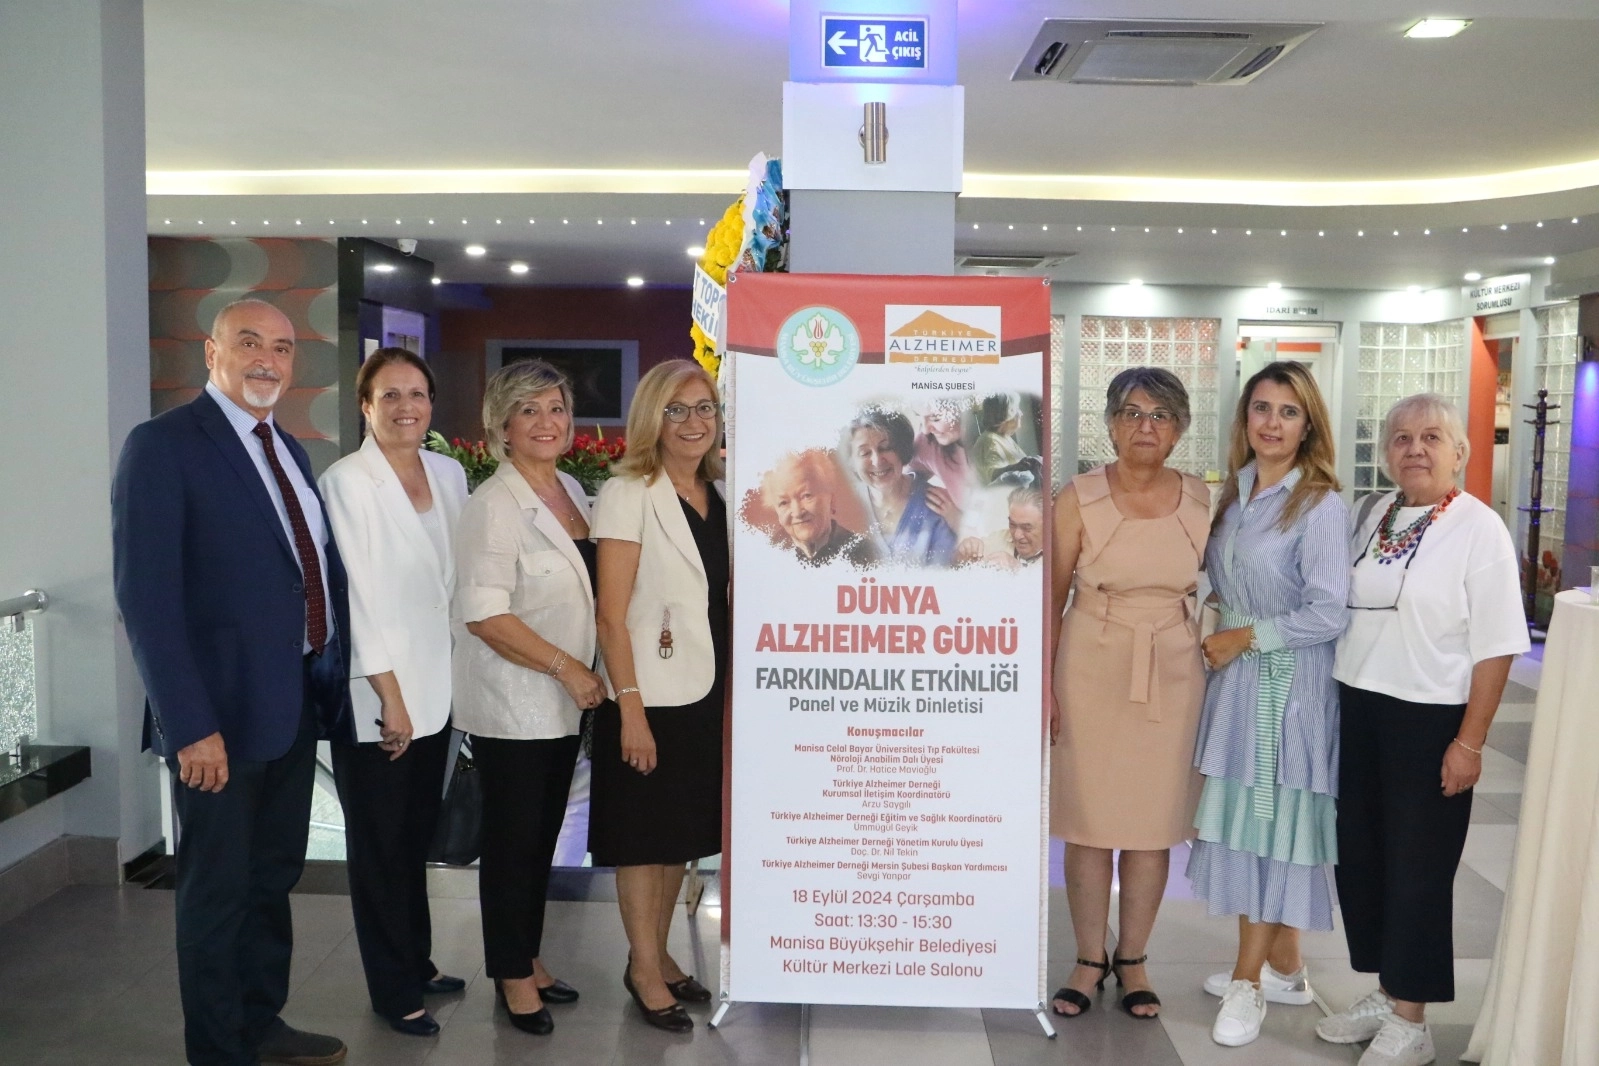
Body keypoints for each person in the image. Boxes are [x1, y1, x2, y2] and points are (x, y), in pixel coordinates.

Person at [112, 298, 354, 1066]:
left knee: (271, 878)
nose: (267, 360)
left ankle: (261, 1024)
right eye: (248, 342)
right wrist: (189, 725)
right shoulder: (163, 446)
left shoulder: (290, 450)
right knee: (216, 891)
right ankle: (218, 1049)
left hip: (290, 704)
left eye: (281, 347)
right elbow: (146, 599)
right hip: (216, 719)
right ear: (211, 352)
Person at [1318, 394, 1528, 1066]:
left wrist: (1469, 741)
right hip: (1359, 706)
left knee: (1418, 869)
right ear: (1386, 453)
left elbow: (1497, 644)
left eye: (1431, 437)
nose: (1415, 449)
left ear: (1458, 452)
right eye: (1402, 438)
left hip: (1429, 717)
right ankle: (1387, 991)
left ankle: (1412, 1020)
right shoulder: (1374, 513)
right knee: (1363, 859)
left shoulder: (1478, 528)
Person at [1186, 362, 1349, 1048]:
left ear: (1308, 425)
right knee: (1255, 825)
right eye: (1261, 408)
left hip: (1287, 688)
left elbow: (1329, 612)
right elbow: (1228, 584)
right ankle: (1284, 969)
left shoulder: (1319, 504)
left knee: (1266, 830)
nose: (1272, 423)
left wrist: (1245, 637)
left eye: (1287, 411)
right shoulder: (1236, 492)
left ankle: (1247, 982)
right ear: (1244, 417)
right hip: (1237, 682)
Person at [1048, 367, 1211, 1020]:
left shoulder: (1202, 498)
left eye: (1160, 415)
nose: (1146, 427)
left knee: (1152, 825)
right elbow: (1049, 595)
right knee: (1088, 823)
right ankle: (1089, 958)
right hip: (1090, 664)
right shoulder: (1077, 497)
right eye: (1132, 413)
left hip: (1172, 669)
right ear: (1111, 425)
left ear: (1179, 430)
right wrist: (1043, 688)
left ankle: (1134, 957)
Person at [317, 348, 469, 1037]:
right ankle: (391, 987)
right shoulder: (347, 482)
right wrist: (391, 697)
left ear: (431, 403)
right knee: (379, 846)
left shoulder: (448, 472)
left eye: (417, 394)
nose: (406, 407)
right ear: (365, 406)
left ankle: (417, 959)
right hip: (379, 695)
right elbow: (356, 599)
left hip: (439, 683)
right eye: (390, 396)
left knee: (413, 837)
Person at [452, 361, 606, 1036]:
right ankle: (511, 975)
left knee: (541, 839)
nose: (547, 422)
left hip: (564, 704)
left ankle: (529, 955)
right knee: (514, 845)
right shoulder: (492, 506)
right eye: (529, 410)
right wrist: (567, 667)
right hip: (514, 704)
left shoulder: (570, 488)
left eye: (556, 408)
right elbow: (485, 615)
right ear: (502, 426)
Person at [592, 360, 727, 1034]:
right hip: (648, 696)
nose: (693, 422)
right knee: (642, 840)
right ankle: (643, 967)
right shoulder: (628, 492)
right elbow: (610, 616)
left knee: (678, 837)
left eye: (704, 407)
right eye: (676, 409)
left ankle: (661, 954)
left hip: (705, 692)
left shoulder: (720, 494)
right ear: (652, 418)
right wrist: (630, 710)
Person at [845, 406, 959, 567]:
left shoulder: (939, 505)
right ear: (852, 462)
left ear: (901, 450)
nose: (877, 461)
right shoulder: (843, 506)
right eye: (865, 453)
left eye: (885, 448)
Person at [760, 449, 878, 567]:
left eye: (806, 496)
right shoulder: (765, 555)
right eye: (784, 503)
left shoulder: (866, 554)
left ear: (831, 500)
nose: (797, 513)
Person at [957, 486, 1045, 570]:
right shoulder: (1000, 538)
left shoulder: (1053, 556)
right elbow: (957, 562)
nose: (1017, 535)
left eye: (1026, 528)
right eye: (1012, 525)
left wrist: (1019, 569)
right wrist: (963, 553)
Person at [910, 396, 975, 509]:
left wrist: (957, 516)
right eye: (918, 416)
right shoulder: (927, 442)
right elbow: (903, 483)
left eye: (935, 418)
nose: (925, 430)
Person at [972, 391, 1030, 485]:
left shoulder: (1003, 437)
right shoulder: (990, 441)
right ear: (1006, 414)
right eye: (1016, 408)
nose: (1021, 413)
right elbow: (996, 478)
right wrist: (1021, 466)